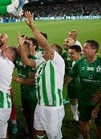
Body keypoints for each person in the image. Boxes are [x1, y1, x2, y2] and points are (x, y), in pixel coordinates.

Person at [18, 11, 65, 139]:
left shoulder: (57, 63)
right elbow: (26, 61)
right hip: (40, 106)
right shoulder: (42, 62)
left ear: (56, 54)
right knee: (38, 133)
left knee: (54, 136)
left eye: (51, 48)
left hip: (53, 108)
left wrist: (32, 26)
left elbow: (44, 44)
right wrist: (21, 46)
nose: (47, 49)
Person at [66, 40, 101, 139]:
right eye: (83, 47)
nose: (83, 49)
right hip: (83, 100)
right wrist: (57, 85)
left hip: (99, 102)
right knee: (82, 122)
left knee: (100, 127)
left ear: (94, 50)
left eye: (86, 47)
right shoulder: (79, 63)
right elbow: (69, 78)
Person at [13, 36, 39, 139]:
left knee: (34, 117)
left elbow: (32, 81)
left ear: (26, 49)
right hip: (24, 92)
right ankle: (31, 131)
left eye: (20, 47)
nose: (17, 48)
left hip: (33, 95)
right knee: (27, 114)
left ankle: (35, 135)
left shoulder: (33, 61)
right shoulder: (18, 58)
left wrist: (16, 79)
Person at [66, 45, 82, 124]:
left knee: (83, 103)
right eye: (69, 53)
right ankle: (75, 117)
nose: (70, 55)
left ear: (79, 53)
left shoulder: (84, 62)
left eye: (72, 53)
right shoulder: (70, 61)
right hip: (72, 85)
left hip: (82, 87)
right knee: (73, 101)